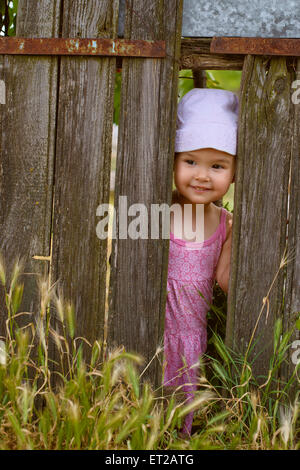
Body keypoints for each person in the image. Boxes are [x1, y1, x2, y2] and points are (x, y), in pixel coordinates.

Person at [163, 88, 239, 435]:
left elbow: (225, 281)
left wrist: (242, 232)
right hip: (152, 331)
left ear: (235, 172)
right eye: (190, 161)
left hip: (192, 339)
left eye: (217, 166)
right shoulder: (157, 214)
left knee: (178, 421)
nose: (202, 175)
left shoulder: (225, 224)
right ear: (173, 159)